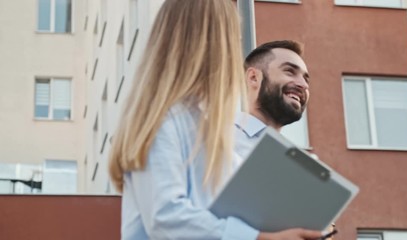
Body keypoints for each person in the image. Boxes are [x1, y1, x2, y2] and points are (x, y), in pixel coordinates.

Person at [109, 0, 323, 239]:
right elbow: (166, 217)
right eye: (231, 37)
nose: (234, 50)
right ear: (207, 43)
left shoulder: (207, 127)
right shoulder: (162, 118)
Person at [235, 40, 336, 239]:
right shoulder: (214, 141)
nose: (303, 85)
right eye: (290, 72)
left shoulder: (304, 165)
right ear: (254, 77)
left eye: (306, 79)